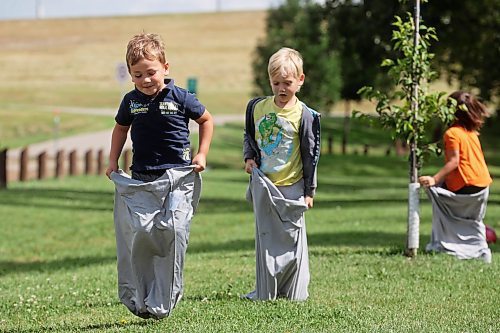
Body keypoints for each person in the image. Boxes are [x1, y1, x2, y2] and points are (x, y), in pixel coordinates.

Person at [105, 32, 213, 319]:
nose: (146, 79)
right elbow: (120, 129)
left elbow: (206, 120)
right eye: (138, 74)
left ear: (166, 67)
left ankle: (167, 297)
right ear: (130, 76)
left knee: (174, 230)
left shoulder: (181, 97)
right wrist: (113, 160)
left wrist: (201, 153)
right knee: (142, 233)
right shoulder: (131, 101)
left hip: (177, 177)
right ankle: (143, 295)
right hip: (142, 180)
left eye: (151, 72)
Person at [243, 47, 321, 300]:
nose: (281, 88)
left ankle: (294, 290)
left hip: (293, 185)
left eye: (287, 83)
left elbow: (311, 155)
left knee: (292, 238)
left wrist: (309, 191)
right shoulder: (257, 107)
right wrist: (249, 158)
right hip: (265, 185)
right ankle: (266, 291)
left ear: (300, 80)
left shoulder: (304, 115)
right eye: (276, 83)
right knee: (265, 239)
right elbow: (250, 135)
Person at [419, 91, 492, 263]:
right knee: (475, 220)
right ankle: (481, 250)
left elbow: (454, 162)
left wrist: (434, 179)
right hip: (483, 185)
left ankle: (442, 243)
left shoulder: (452, 133)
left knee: (434, 192)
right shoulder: (472, 133)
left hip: (465, 185)